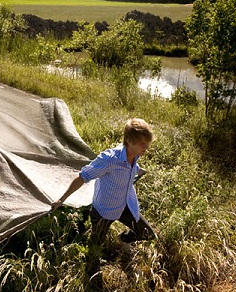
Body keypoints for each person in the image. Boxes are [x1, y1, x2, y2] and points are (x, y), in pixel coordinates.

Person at [51, 118, 157, 277]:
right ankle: (91, 279)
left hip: (125, 206)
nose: (146, 147)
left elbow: (130, 168)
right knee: (94, 252)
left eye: (147, 143)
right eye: (143, 143)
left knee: (148, 235)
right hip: (103, 212)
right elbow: (82, 177)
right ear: (129, 141)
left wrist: (139, 170)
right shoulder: (109, 159)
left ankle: (124, 239)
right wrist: (62, 199)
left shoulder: (135, 155)